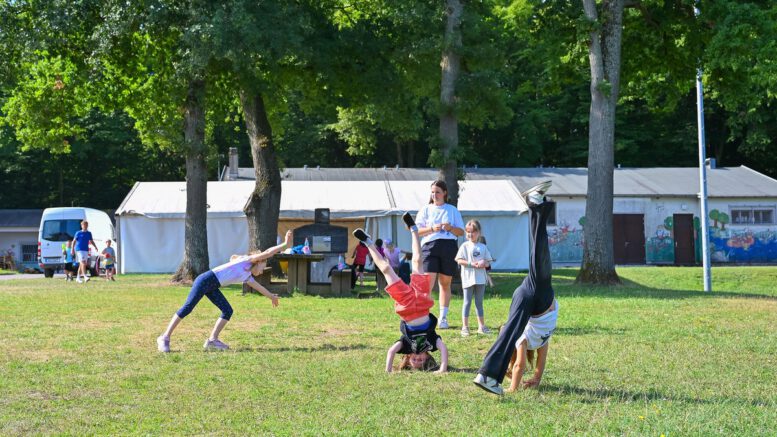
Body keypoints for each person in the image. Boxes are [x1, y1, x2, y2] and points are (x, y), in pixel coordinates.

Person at [473, 180, 555, 395]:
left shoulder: (528, 338)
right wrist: (536, 378)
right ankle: (535, 205)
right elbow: (534, 364)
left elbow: (521, 365)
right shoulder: (536, 340)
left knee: (540, 261)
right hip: (534, 300)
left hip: (535, 299)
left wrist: (515, 387)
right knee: (539, 261)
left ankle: (487, 375)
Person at [156, 230, 292, 353]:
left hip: (213, 286)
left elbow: (259, 287)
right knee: (188, 308)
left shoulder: (247, 276)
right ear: (258, 261)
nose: (262, 271)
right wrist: (284, 245)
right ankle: (164, 337)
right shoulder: (246, 261)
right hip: (205, 280)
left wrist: (271, 297)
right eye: (263, 266)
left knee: (228, 310)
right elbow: (268, 252)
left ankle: (212, 341)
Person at [352, 213, 448, 373]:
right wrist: (443, 368)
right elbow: (443, 348)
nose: (418, 357)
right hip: (422, 302)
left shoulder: (405, 344)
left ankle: (367, 242)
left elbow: (391, 351)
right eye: (422, 359)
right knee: (417, 261)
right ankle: (414, 229)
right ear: (428, 357)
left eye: (414, 360)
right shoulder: (431, 342)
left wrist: (389, 370)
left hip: (406, 305)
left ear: (408, 358)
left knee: (385, 269)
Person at [414, 180, 465, 329]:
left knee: (444, 283)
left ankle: (443, 318)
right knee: (428, 283)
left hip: (448, 246)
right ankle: (425, 317)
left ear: (444, 193)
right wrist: (431, 228)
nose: (434, 195)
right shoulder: (425, 209)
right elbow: (416, 230)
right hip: (429, 247)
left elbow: (461, 232)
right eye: (432, 192)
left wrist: (450, 228)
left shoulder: (452, 210)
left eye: (437, 192)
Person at [505, 298, 559, 391]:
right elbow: (540, 359)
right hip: (546, 307)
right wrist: (536, 380)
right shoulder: (530, 337)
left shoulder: (524, 338)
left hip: (552, 310)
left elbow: (519, 365)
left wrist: (513, 388)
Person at [455, 219, 494, 337]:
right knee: (467, 302)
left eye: (473, 232)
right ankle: (465, 327)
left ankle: (481, 327)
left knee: (479, 303)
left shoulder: (483, 247)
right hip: (467, 278)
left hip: (480, 279)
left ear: (479, 233)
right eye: (468, 232)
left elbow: (488, 262)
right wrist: (471, 264)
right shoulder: (464, 246)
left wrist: (484, 263)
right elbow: (458, 260)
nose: (470, 234)